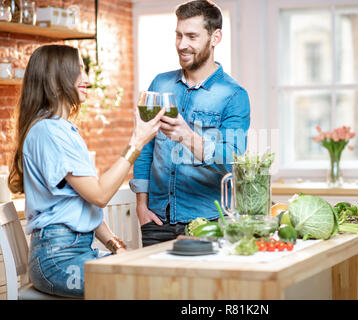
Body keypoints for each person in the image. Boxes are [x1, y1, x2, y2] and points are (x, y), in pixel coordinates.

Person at [7, 44, 164, 298]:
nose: (87, 79)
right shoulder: (49, 132)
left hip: (73, 253)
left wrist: (115, 246)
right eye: (78, 70)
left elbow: (83, 204)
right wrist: (137, 141)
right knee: (140, 288)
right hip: (58, 261)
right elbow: (100, 196)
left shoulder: (60, 129)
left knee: (149, 279)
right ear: (56, 79)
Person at [130, 0, 251, 246]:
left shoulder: (234, 95)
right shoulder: (160, 84)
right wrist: (141, 206)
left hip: (206, 223)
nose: (182, 45)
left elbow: (233, 160)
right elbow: (145, 149)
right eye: (178, 35)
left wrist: (188, 136)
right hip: (156, 220)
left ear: (215, 37)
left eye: (192, 37)